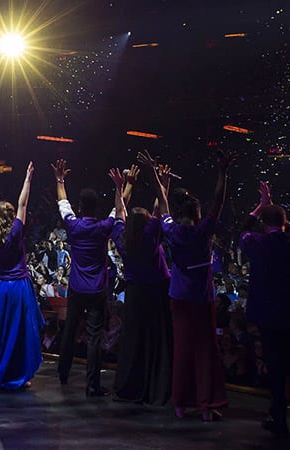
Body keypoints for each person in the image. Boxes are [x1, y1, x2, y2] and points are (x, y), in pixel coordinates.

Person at [147, 150, 233, 421]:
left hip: (178, 299)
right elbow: (218, 201)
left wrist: (156, 175)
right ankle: (206, 406)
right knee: (205, 350)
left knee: (182, 349)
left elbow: (162, 201)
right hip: (201, 298)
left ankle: (180, 404)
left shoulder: (171, 230)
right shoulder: (203, 230)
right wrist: (223, 171)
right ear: (196, 212)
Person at [240, 181, 290, 438]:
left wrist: (261, 206)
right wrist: (271, 206)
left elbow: (244, 229)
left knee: (276, 370)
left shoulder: (255, 242)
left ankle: (279, 418)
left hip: (268, 317)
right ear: (287, 221)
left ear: (263, 223)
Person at [52, 160, 121, 396]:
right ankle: (92, 385)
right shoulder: (104, 228)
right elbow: (119, 209)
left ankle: (63, 373)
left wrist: (60, 180)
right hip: (96, 291)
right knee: (93, 338)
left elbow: (63, 203)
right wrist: (122, 187)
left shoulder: (73, 226)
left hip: (77, 289)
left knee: (70, 331)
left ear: (80, 207)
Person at [111, 164, 173, 406]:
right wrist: (162, 183)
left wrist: (121, 188)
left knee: (134, 339)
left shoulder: (122, 238)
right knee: (157, 338)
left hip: (135, 292)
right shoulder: (151, 234)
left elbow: (118, 211)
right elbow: (161, 208)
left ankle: (131, 385)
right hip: (157, 291)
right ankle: (158, 386)